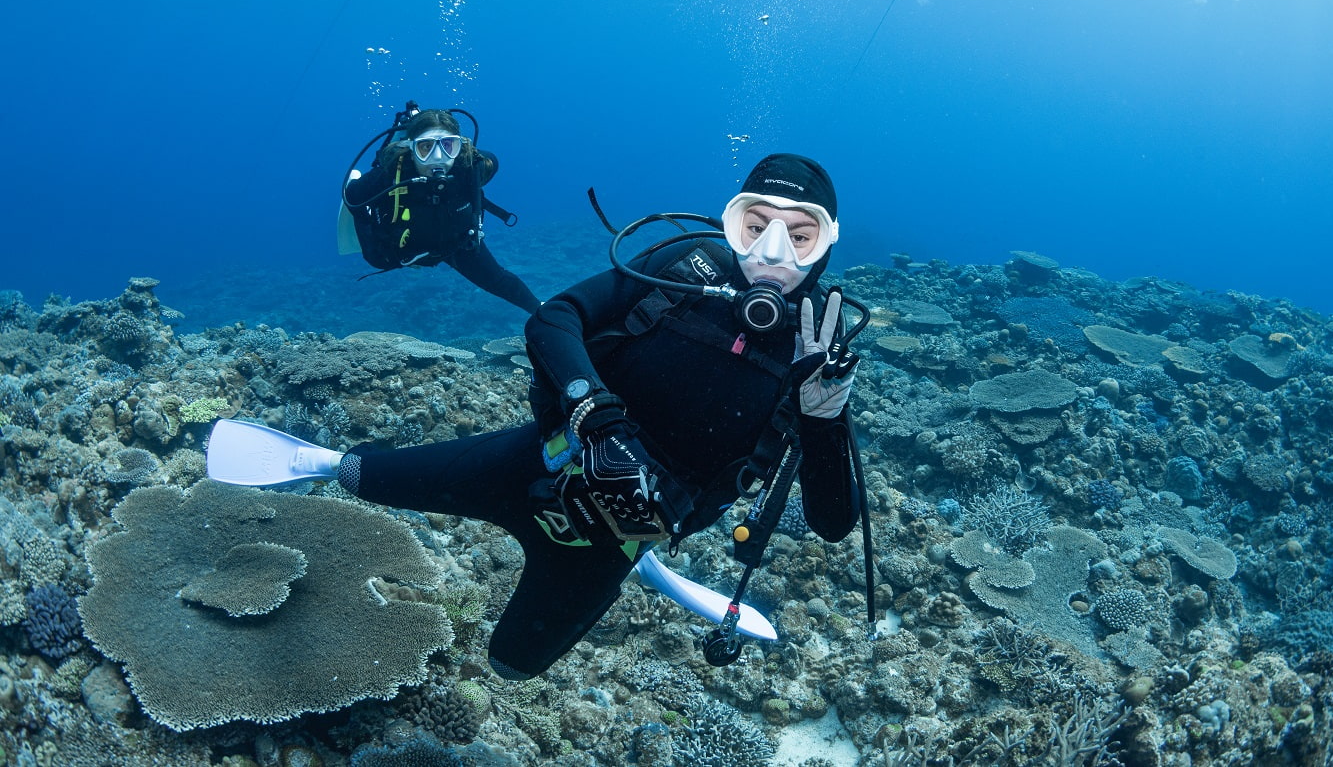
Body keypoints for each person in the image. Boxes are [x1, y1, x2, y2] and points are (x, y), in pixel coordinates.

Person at [233, 153, 867, 679]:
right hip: (546, 457)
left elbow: (835, 525)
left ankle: (645, 566)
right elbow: (553, 319)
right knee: (355, 474)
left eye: (800, 236)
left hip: (625, 531)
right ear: (730, 226)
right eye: (754, 227)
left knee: (512, 666)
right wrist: (596, 418)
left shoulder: (819, 347)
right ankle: (311, 461)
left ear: (824, 245)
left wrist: (823, 416)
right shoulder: (681, 268)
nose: (772, 254)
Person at [342, 105, 540, 313]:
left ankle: (545, 312)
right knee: (376, 260)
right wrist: (370, 232)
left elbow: (492, 162)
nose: (438, 157)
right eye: (425, 147)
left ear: (460, 147)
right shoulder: (390, 174)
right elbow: (353, 195)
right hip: (404, 250)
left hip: (457, 244)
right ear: (410, 148)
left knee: (499, 280)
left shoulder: (471, 167)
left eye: (448, 145)